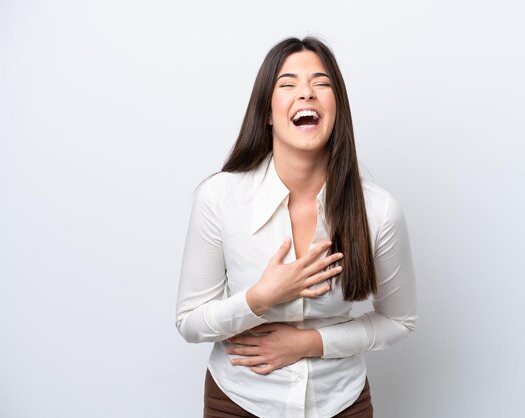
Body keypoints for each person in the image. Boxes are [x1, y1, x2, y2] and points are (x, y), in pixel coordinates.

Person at [176, 36, 417, 418]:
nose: (306, 93)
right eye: (288, 84)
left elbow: (398, 320)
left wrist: (310, 343)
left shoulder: (379, 210)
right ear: (268, 113)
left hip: (341, 402)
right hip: (239, 401)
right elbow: (190, 323)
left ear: (337, 107)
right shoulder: (219, 197)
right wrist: (260, 298)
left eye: (321, 83)